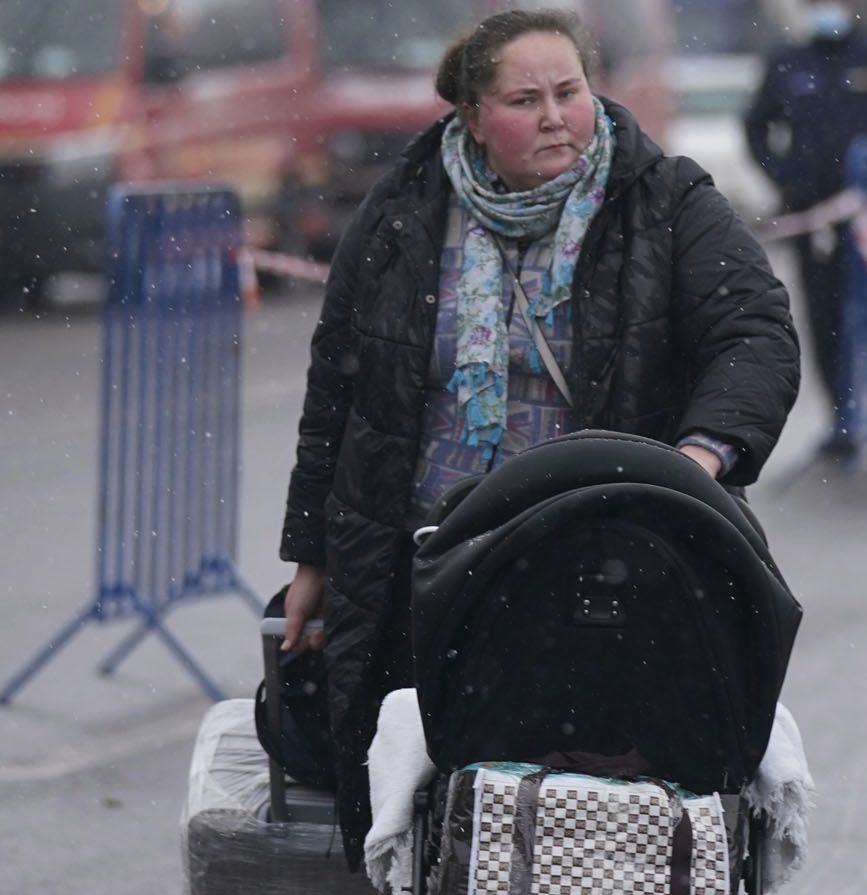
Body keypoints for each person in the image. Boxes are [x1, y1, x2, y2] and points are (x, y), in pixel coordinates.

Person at [277, 9, 801, 869]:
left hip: (605, 564)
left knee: (592, 808)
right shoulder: (402, 215)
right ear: (471, 118)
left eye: (571, 91)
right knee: (422, 806)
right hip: (424, 563)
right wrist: (314, 558)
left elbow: (756, 336)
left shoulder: (667, 201)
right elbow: (339, 388)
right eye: (526, 99)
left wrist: (697, 463)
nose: (557, 114)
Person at [744, 0, 867, 456]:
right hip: (818, 221)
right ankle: (842, 416)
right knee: (826, 320)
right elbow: (756, 125)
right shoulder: (788, 60)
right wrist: (787, 177)